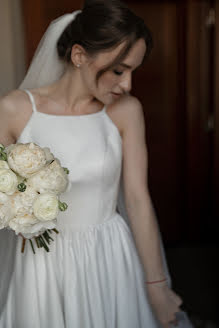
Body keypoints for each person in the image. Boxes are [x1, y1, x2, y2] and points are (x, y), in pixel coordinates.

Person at [0, 0, 194, 327]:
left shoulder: (126, 112)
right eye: (119, 70)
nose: (127, 85)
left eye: (133, 71)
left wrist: (157, 287)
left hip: (109, 256)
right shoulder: (15, 110)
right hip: (43, 265)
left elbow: (136, 199)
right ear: (79, 56)